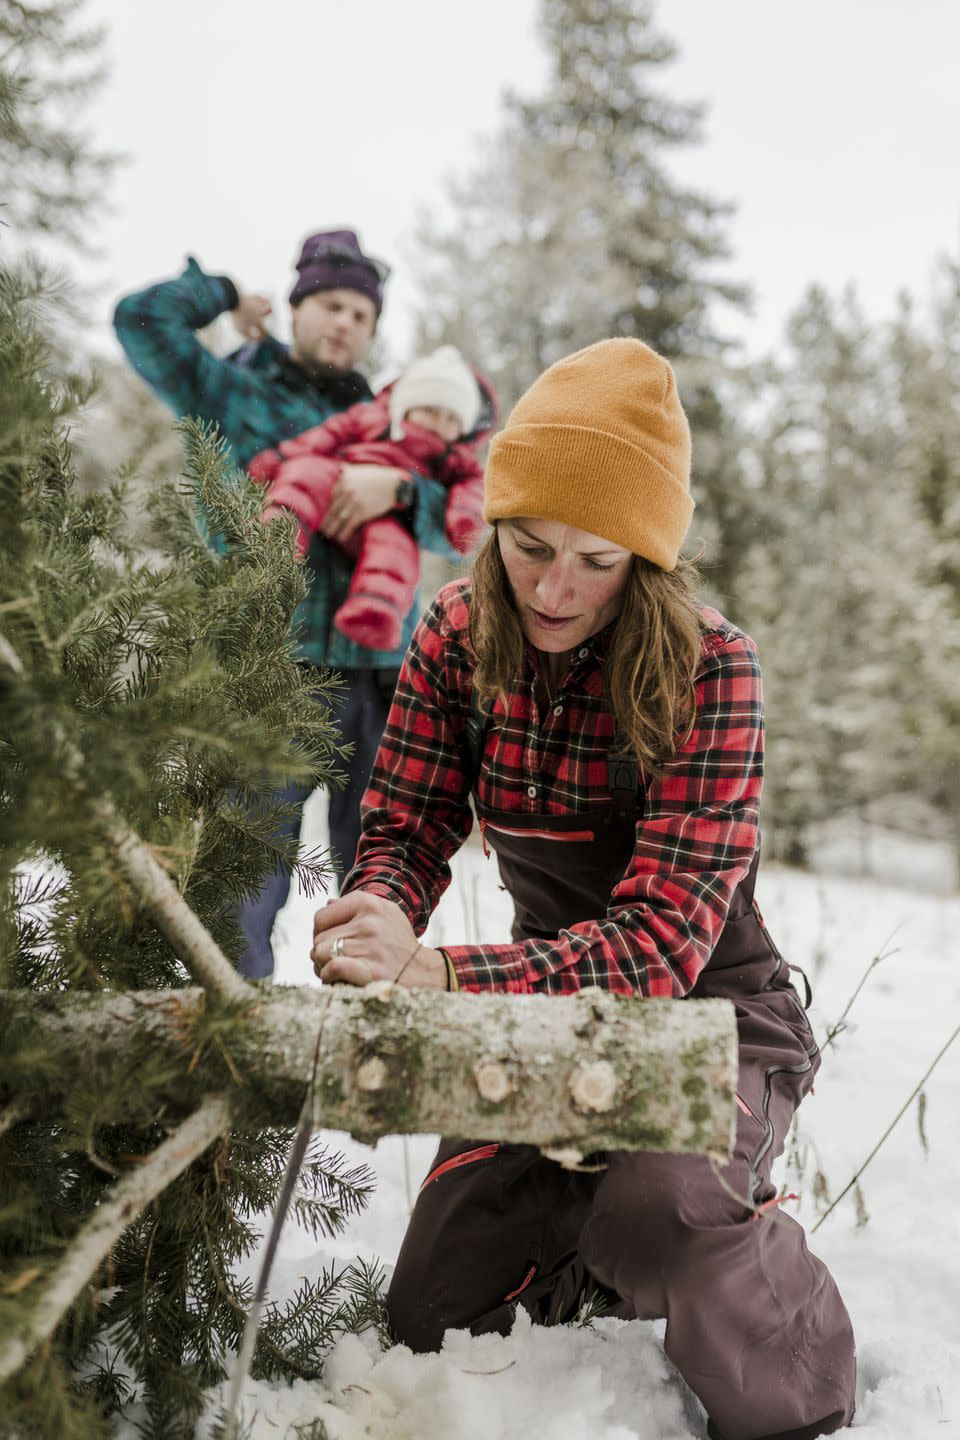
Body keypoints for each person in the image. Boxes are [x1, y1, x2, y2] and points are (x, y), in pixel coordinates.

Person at [310, 338, 857, 1440]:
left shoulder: (712, 667)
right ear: (495, 521)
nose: (556, 587)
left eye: (598, 560)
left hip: (713, 1016)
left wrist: (438, 972)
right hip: (540, 1017)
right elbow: (409, 823)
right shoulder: (456, 635)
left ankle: (782, 1337)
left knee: (656, 1217)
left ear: (646, 561)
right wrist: (380, 906)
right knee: (431, 1313)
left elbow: (658, 945)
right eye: (530, 544)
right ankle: (589, 1240)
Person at [113, 229, 487, 977]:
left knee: (385, 873)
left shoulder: (390, 414)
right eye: (329, 304)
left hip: (380, 678)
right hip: (265, 671)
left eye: (361, 313)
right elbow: (140, 320)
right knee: (240, 881)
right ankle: (235, 1033)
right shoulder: (231, 387)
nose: (345, 322)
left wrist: (401, 488)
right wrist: (219, 294)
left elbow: (470, 503)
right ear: (293, 306)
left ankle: (367, 1034)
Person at [249, 345, 493, 652]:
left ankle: (376, 609)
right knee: (304, 472)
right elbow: (325, 436)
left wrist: (460, 519)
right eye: (430, 410)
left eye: (451, 419)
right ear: (405, 405)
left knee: (394, 550)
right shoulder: (370, 418)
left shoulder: (454, 459)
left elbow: (472, 494)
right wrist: (280, 458)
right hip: (337, 477)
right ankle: (278, 537)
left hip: (388, 519)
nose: (438, 423)